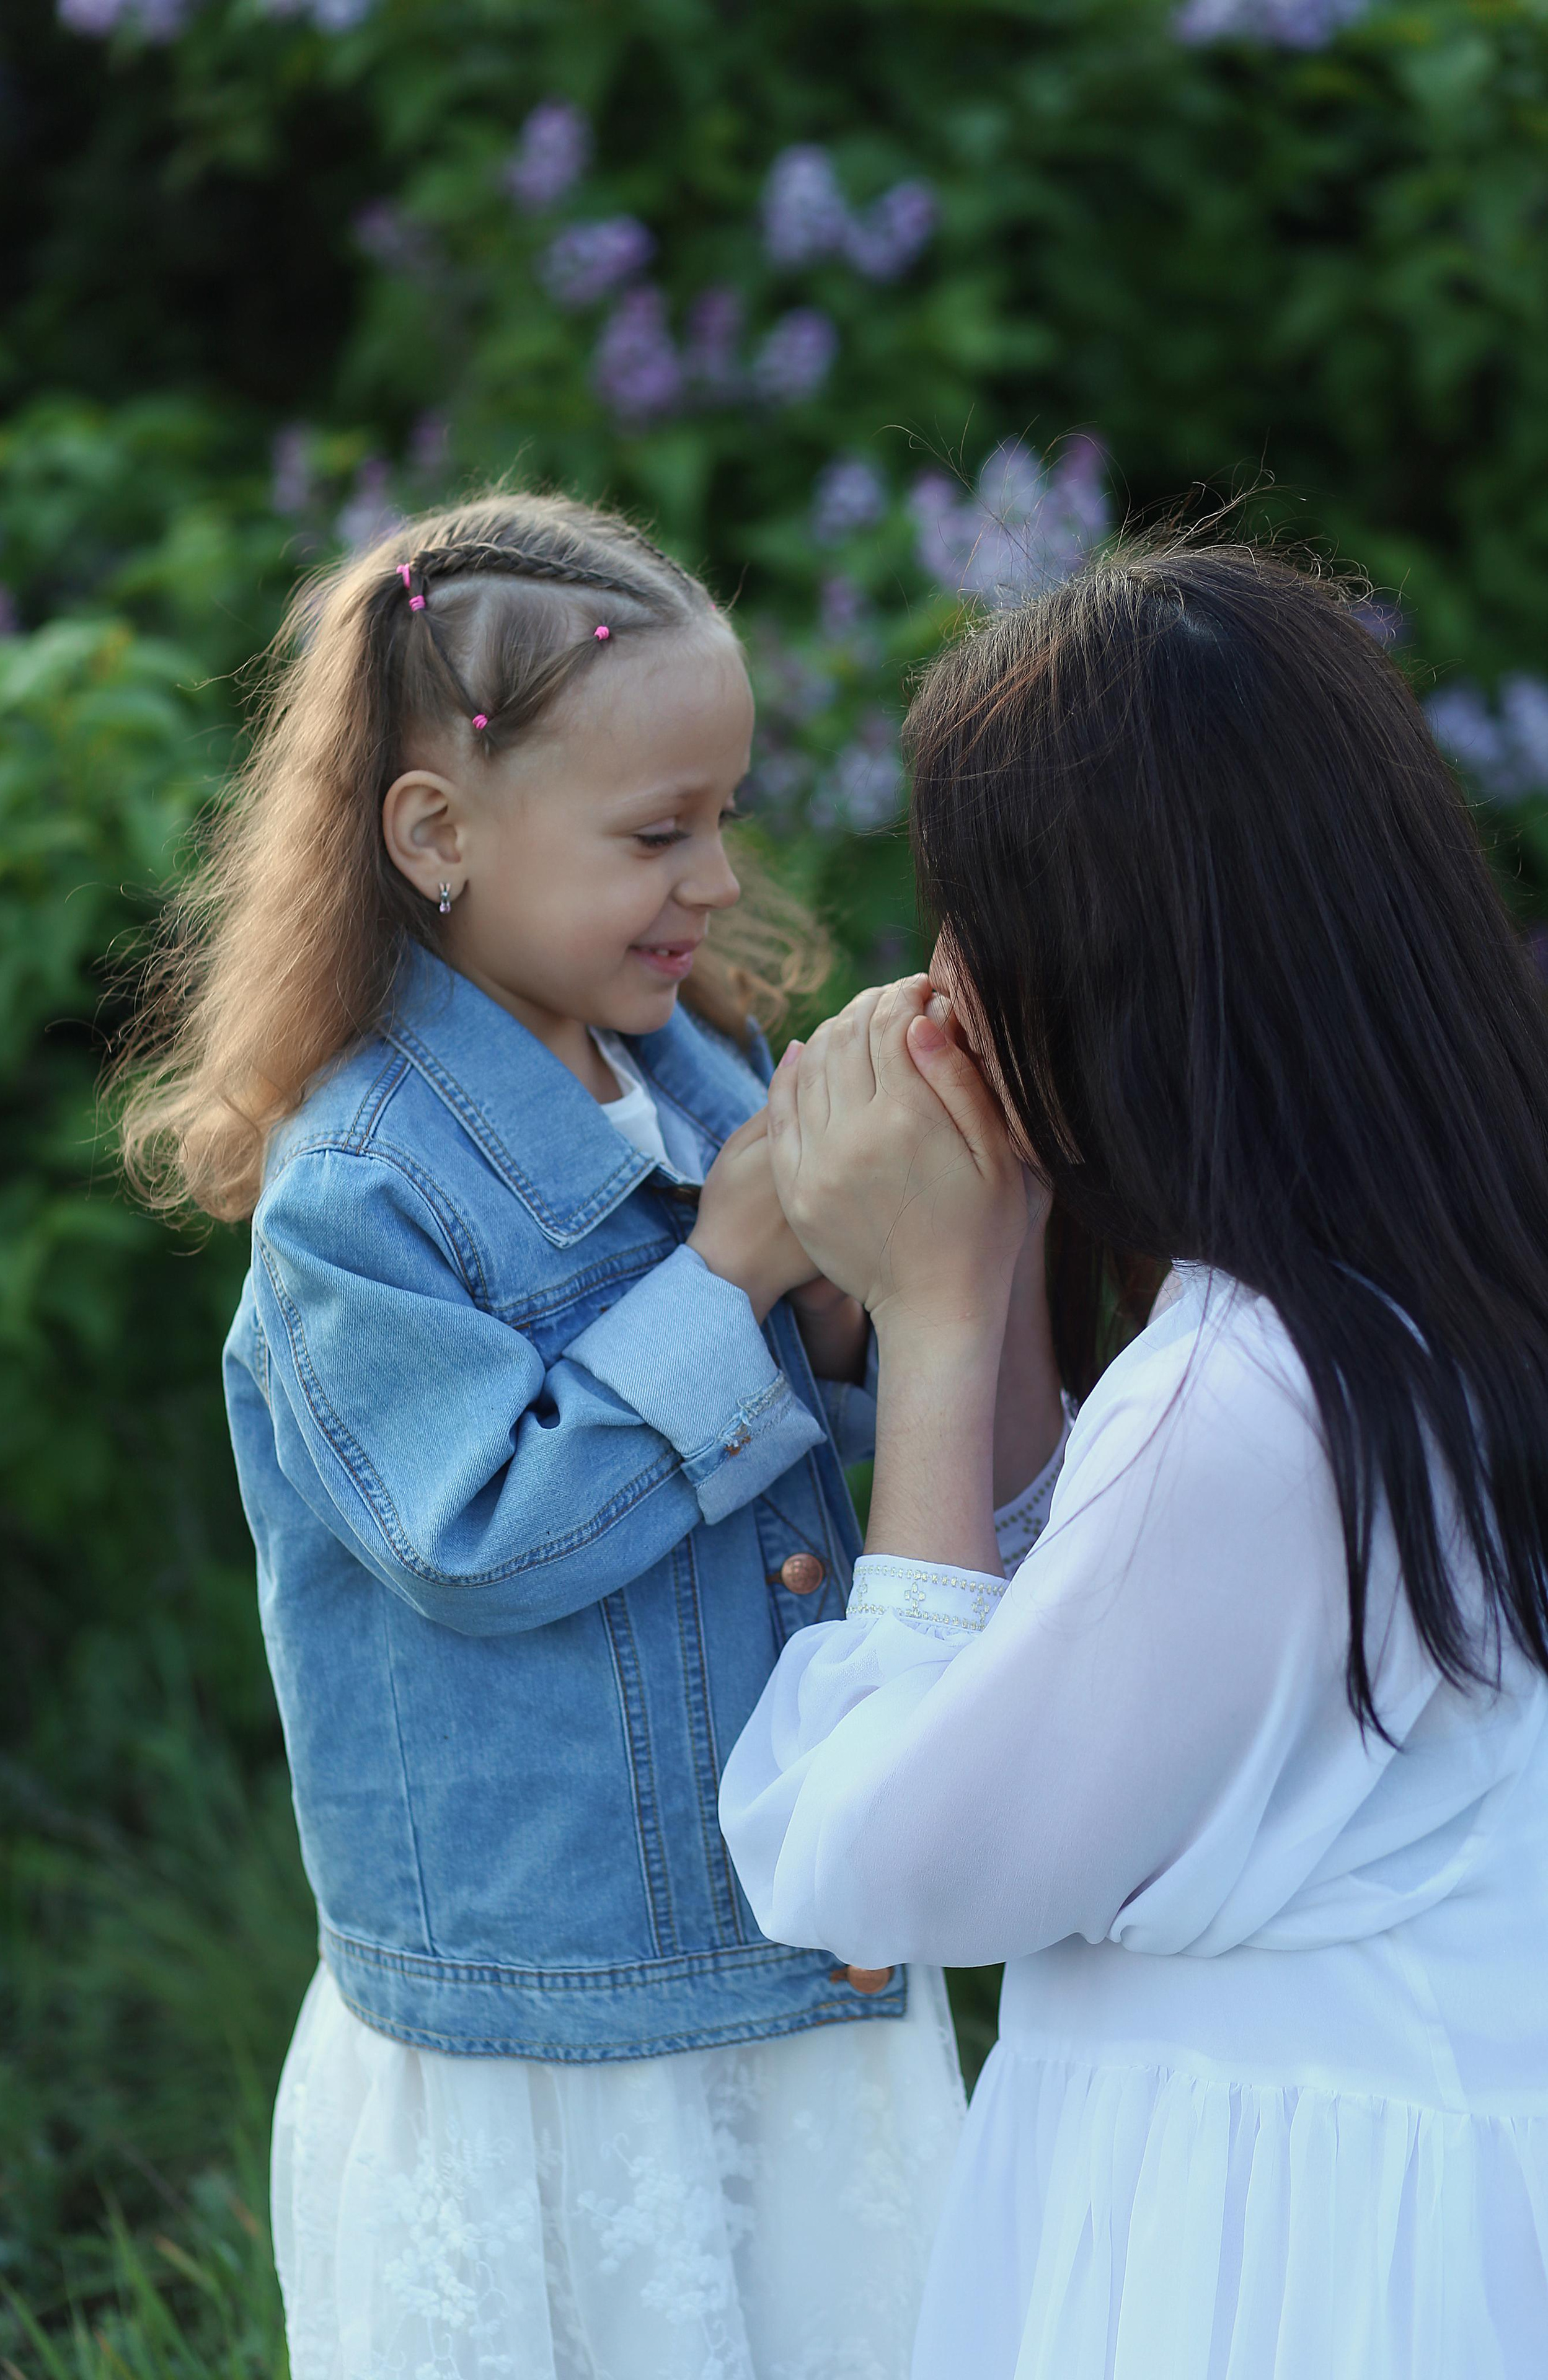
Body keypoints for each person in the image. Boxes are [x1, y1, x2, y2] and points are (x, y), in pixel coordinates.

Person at [115, 491, 1002, 2379]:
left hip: (774, 1955)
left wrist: (853, 1245)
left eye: (726, 816)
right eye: (654, 833)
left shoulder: (696, 1068)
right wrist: (740, 1262)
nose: (710, 877)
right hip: (549, 2017)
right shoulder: (358, 1189)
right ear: (438, 837)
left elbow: (824, 1402)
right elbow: (488, 1533)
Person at [720, 542, 1548, 2380]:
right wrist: (996, 1241)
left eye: (972, 934)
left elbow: (893, 1864)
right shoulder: (1387, 1305)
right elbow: (1087, 1637)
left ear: (1094, 980)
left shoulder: (1249, 1400)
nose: (936, 984)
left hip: (1280, 2257)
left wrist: (933, 1319)